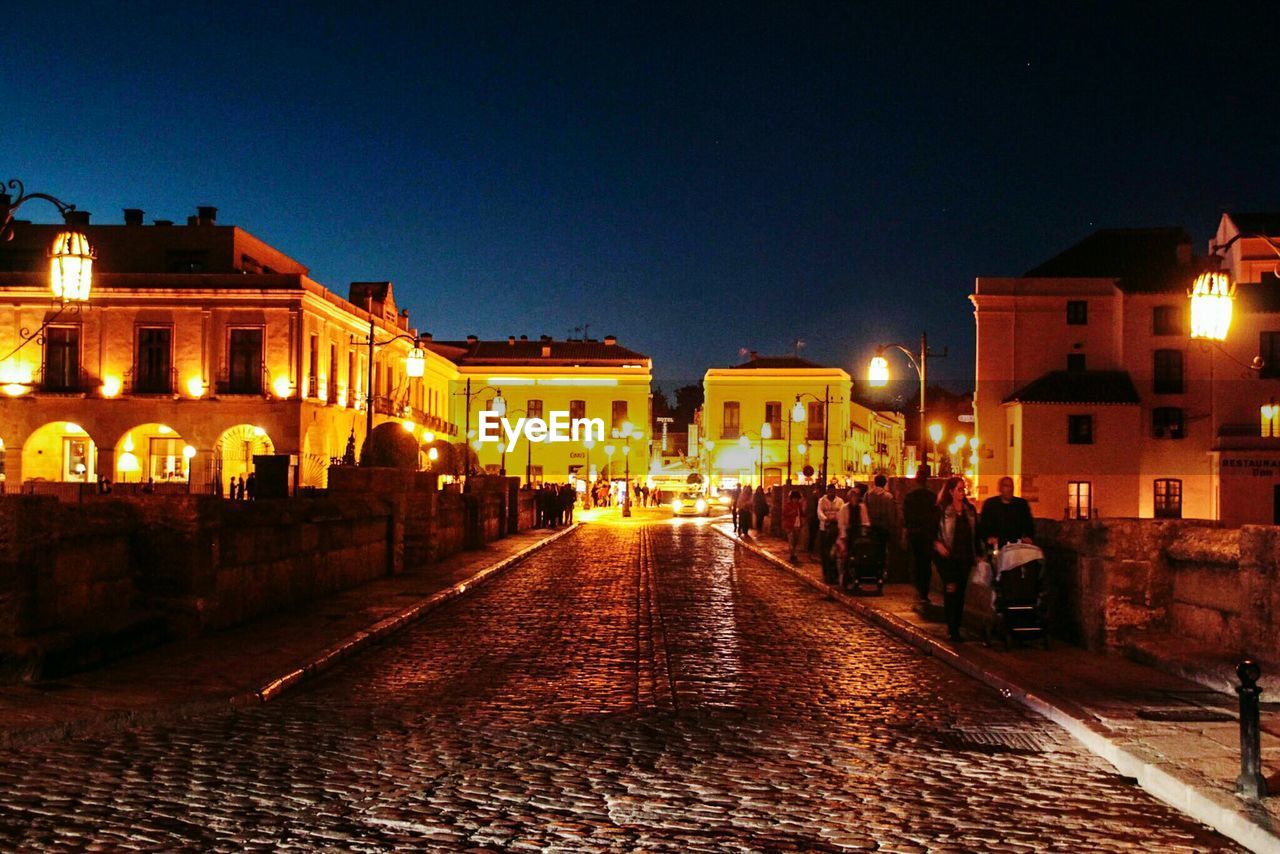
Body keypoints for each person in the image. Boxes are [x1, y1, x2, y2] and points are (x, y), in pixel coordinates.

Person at [934, 476, 979, 642]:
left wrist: (979, 553)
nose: (962, 492)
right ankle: (952, 629)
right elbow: (934, 531)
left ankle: (956, 627)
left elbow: (975, 533)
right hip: (949, 557)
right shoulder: (943, 510)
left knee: (960, 593)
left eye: (963, 489)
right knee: (951, 590)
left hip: (965, 556)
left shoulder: (969, 511)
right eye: (959, 489)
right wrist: (937, 544)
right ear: (951, 491)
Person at [903, 465, 938, 605]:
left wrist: (906, 532)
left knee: (917, 563)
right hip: (928, 535)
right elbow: (936, 516)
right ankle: (924, 592)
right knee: (926, 563)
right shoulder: (932, 497)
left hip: (915, 534)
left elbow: (906, 517)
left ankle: (920, 590)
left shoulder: (910, 497)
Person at [979, 476, 1035, 549]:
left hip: (1017, 544)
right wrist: (988, 538)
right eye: (1006, 486)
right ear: (1000, 488)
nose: (1010, 489)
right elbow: (983, 526)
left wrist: (1028, 537)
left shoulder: (1021, 504)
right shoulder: (990, 504)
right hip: (996, 544)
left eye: (1011, 486)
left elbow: (1029, 524)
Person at [836, 486, 872, 586]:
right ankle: (843, 575)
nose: (855, 498)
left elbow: (866, 521)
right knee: (844, 554)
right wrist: (844, 537)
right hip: (846, 535)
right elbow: (841, 524)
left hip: (859, 535)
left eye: (856, 496)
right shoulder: (844, 508)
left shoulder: (862, 507)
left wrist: (864, 530)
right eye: (853, 496)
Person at [817, 483, 844, 584]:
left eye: (833, 491)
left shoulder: (840, 501)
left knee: (835, 552)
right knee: (825, 552)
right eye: (830, 491)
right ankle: (827, 573)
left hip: (836, 529)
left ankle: (834, 574)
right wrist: (826, 518)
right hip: (824, 529)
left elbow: (842, 512)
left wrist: (836, 518)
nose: (831, 493)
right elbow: (819, 513)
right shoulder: (822, 501)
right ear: (827, 491)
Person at [782, 489, 805, 562]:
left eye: (797, 498)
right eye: (794, 498)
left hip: (797, 525)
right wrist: (792, 512)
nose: (795, 500)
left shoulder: (799, 505)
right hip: (790, 525)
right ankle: (792, 555)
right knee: (791, 540)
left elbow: (801, 514)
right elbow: (784, 514)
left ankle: (793, 553)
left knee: (796, 541)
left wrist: (802, 522)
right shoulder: (788, 505)